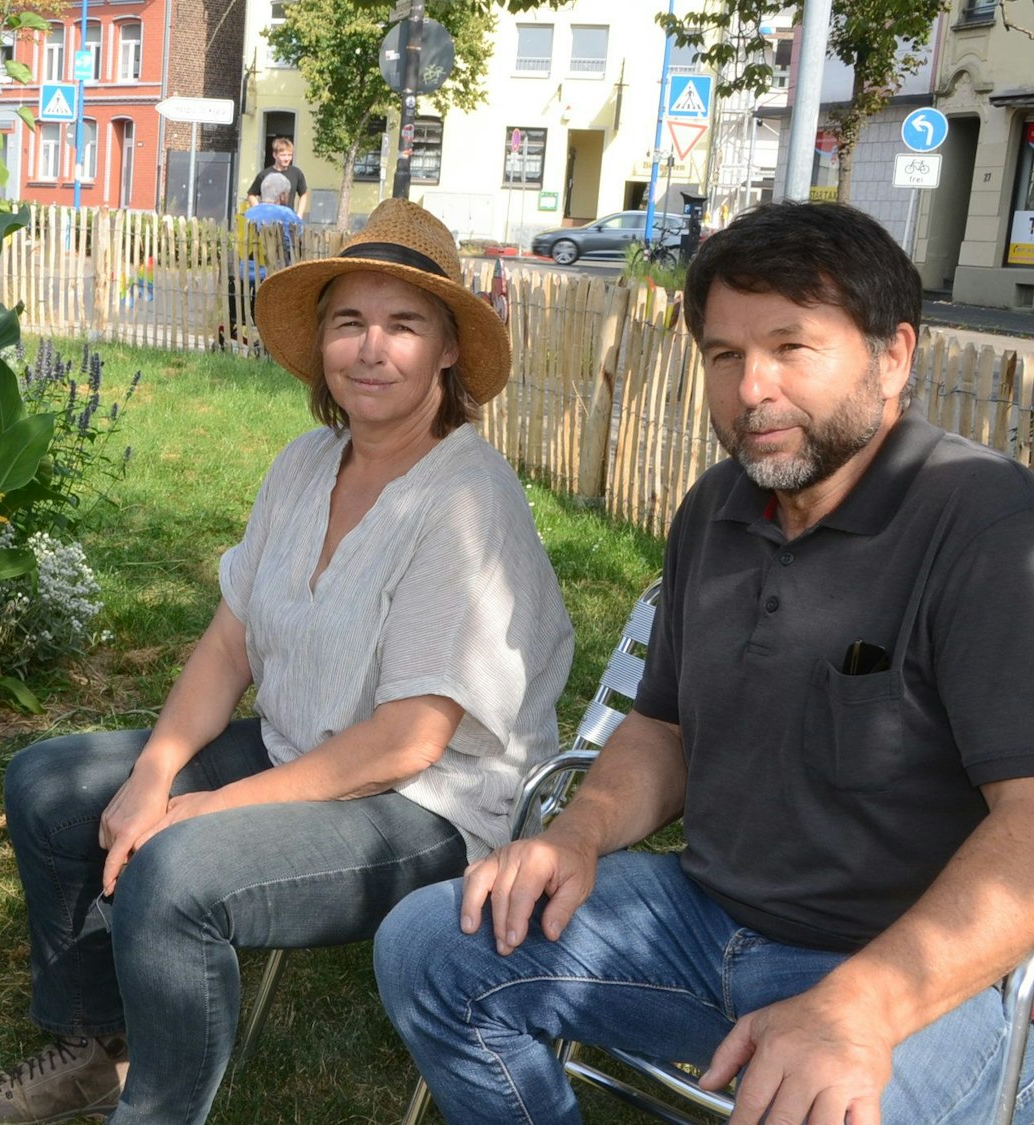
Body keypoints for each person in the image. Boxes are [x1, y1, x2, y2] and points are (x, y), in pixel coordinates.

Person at [375, 200, 1034, 1124]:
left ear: (894, 357)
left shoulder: (985, 526)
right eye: (724, 355)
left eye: (791, 347)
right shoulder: (718, 507)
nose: (752, 387)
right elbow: (665, 727)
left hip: (906, 969)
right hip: (701, 920)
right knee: (430, 946)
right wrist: (577, 833)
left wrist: (861, 1007)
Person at [0, 198, 574, 1125]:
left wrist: (208, 808)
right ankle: (101, 1045)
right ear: (322, 342)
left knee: (176, 871)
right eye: (349, 323)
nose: (372, 348)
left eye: (403, 325)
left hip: (434, 802)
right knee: (52, 782)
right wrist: (157, 771)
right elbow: (229, 639)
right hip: (305, 748)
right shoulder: (304, 462)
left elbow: (411, 739)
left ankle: (159, 1111)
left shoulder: (465, 500)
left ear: (448, 350)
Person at [222, 174, 304, 350]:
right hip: (273, 273)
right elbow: (294, 244)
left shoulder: (248, 213)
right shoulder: (288, 215)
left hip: (244, 271)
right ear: (283, 196)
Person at [244, 135, 309, 219]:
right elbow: (251, 194)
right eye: (283, 155)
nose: (287, 158)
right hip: (267, 220)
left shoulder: (296, 173)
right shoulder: (264, 174)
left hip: (288, 220)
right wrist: (258, 210)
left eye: (290, 155)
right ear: (275, 155)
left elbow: (303, 194)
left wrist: (299, 215)